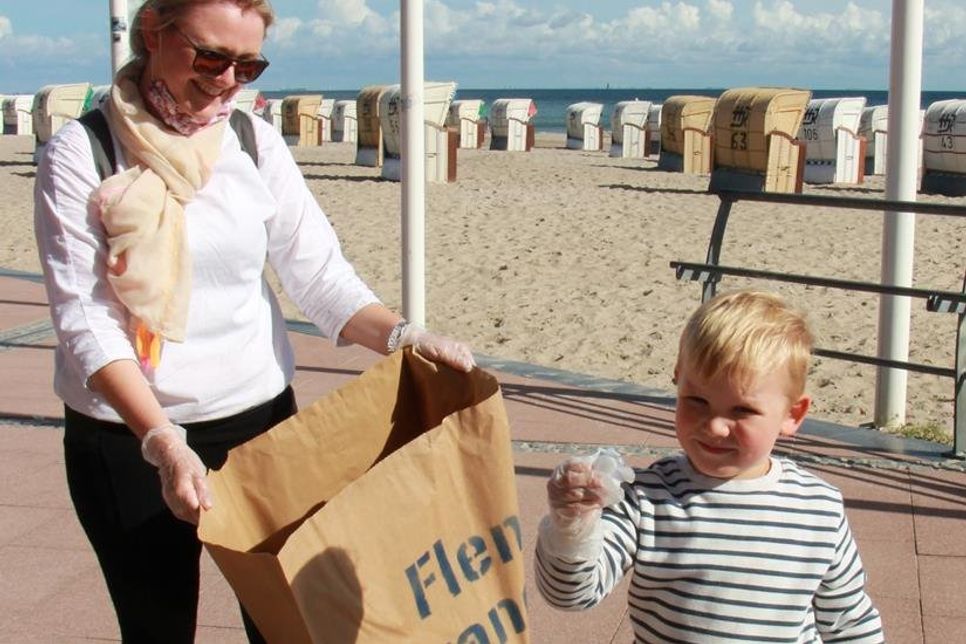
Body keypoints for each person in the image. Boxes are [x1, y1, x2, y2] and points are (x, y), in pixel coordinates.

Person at [32, 1, 474, 642]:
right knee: (157, 627)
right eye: (211, 57)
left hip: (258, 426)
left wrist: (405, 337)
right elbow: (87, 321)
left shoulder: (250, 139)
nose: (226, 80)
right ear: (153, 32)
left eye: (248, 66)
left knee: (287, 625)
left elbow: (319, 276)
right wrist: (162, 441)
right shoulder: (84, 151)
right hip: (129, 438)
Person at [534, 290, 885, 643]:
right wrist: (572, 527)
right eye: (696, 401)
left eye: (742, 410)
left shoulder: (819, 508)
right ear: (678, 381)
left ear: (792, 414)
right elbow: (572, 595)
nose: (715, 426)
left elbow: (849, 622)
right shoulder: (648, 497)